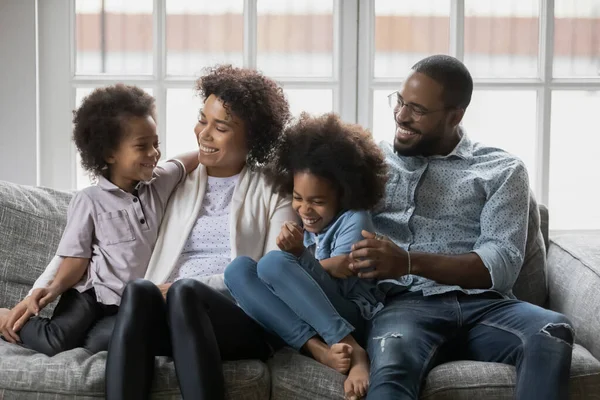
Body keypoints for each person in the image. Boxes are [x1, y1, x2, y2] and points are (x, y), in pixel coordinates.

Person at [346, 55, 574, 400]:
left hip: (486, 308)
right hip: (405, 307)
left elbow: (500, 263)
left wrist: (407, 261)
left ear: (455, 116)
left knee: (552, 328)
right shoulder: (370, 163)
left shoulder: (502, 169)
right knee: (392, 366)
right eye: (400, 101)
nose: (401, 116)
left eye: (418, 110)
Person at [103, 65, 294, 400]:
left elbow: (273, 275)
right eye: (202, 119)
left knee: (185, 293)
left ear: (253, 138)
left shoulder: (273, 190)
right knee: (137, 291)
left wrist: (179, 286)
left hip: (239, 319)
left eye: (220, 127)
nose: (204, 133)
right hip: (166, 312)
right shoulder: (174, 182)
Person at [0, 84, 199, 355]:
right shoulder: (89, 201)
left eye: (156, 144)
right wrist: (52, 290)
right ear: (109, 154)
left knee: (111, 342)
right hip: (90, 294)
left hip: (127, 302)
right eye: (142, 146)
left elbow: (185, 161)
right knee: (57, 341)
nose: (154, 153)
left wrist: (212, 150)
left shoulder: (160, 182)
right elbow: (75, 258)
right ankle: (3, 317)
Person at [224, 112, 388, 399]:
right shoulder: (300, 222)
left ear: (344, 194)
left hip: (349, 314)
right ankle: (318, 349)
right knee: (237, 270)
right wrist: (310, 262)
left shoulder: (355, 219)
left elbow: (342, 280)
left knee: (274, 262)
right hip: (310, 320)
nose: (305, 210)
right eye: (298, 198)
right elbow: (316, 272)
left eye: (318, 202)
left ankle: (355, 351)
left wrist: (300, 256)